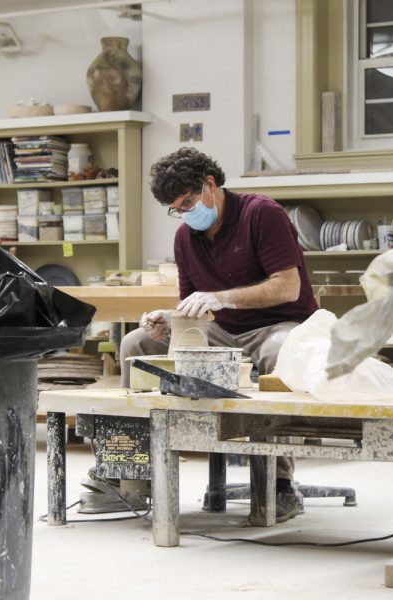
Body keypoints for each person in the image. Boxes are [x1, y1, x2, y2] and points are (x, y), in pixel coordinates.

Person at [120, 147, 318, 522]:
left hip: (279, 326)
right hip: (223, 330)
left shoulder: (262, 214)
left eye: (188, 202)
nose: (184, 213)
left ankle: (280, 485)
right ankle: (132, 474)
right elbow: (193, 311)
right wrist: (168, 319)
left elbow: (288, 287)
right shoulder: (186, 238)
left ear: (210, 185)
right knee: (137, 344)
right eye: (176, 208)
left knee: (282, 349)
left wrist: (221, 296)